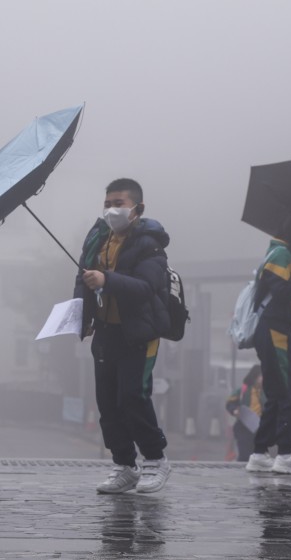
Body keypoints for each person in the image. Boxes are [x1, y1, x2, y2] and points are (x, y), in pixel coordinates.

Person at [74, 178, 173, 494]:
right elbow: (83, 278)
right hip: (105, 332)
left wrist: (107, 279)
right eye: (107, 203)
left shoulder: (150, 244)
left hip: (138, 333)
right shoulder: (97, 239)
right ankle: (124, 465)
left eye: (119, 203)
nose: (112, 210)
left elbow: (146, 288)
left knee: (132, 396)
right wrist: (84, 316)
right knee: (107, 402)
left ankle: (156, 460)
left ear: (137, 209)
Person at [245, 216, 291, 475]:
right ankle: (285, 455)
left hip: (279, 330)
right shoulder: (280, 254)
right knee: (287, 394)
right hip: (274, 330)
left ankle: (259, 452)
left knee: (277, 394)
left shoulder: (286, 253)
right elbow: (283, 290)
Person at [226, 364, 264, 462]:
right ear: (255, 376)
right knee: (245, 455)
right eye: (261, 376)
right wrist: (234, 410)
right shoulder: (243, 390)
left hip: (261, 429)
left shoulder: (268, 391)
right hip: (244, 428)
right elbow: (230, 403)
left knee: (259, 456)